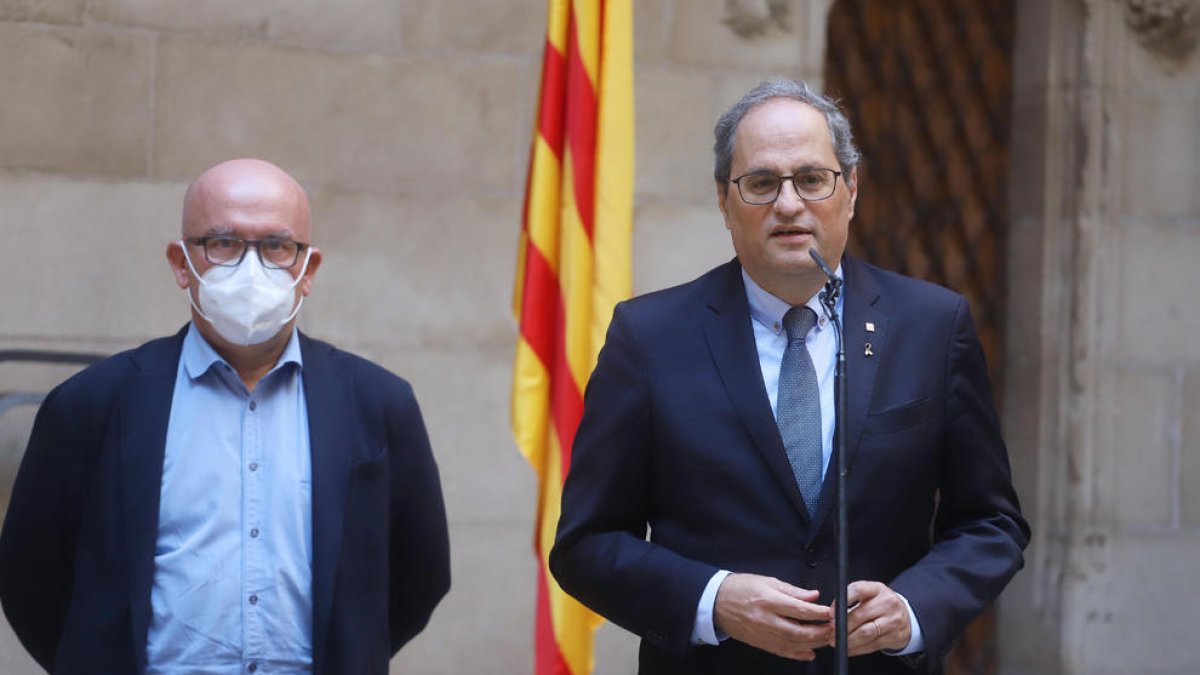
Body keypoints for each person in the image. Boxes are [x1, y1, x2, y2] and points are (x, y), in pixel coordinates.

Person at [549, 79, 1030, 674]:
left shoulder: (932, 326)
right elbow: (585, 546)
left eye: (811, 179)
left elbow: (990, 522)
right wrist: (715, 600)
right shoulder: (649, 338)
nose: (788, 204)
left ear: (850, 190)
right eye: (760, 183)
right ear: (725, 202)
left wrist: (915, 607)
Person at [0, 158, 450, 674]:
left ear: (309, 271)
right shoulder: (91, 404)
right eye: (224, 243)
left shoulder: (378, 403)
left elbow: (420, 574)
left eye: (277, 246)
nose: (250, 268)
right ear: (180, 262)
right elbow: (29, 578)